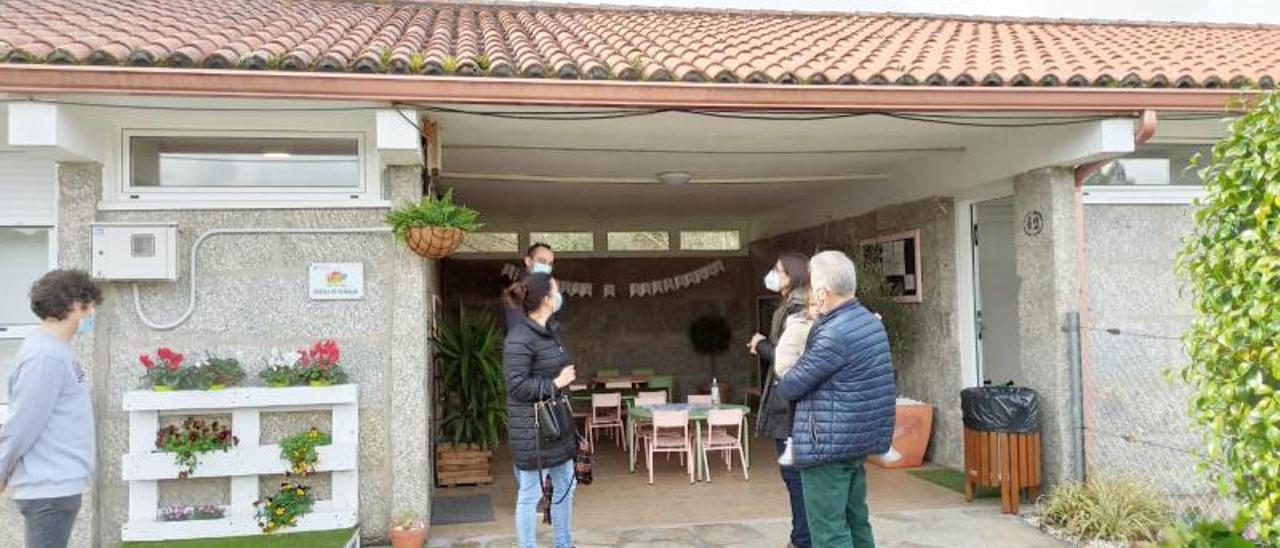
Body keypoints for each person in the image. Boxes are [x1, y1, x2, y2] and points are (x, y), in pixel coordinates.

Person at [776, 251, 895, 548]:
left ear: (822, 291)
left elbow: (790, 385)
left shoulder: (834, 334)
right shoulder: (870, 322)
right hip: (854, 442)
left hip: (826, 447)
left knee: (828, 532)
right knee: (856, 522)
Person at [0, 270, 102, 548]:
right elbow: (23, 423)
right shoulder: (45, 357)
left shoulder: (57, 350)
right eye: (89, 305)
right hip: (49, 487)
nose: (92, 312)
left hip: (59, 483)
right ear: (71, 305)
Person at [502, 272, 578, 548]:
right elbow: (517, 386)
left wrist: (558, 383)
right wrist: (556, 382)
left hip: (557, 426)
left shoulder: (549, 332)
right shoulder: (519, 338)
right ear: (546, 299)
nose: (559, 294)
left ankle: (564, 543)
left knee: (567, 487)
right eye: (556, 290)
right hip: (532, 431)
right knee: (530, 495)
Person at [746, 251, 812, 548]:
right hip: (788, 406)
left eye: (779, 271)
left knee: (795, 478)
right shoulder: (788, 306)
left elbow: (790, 360)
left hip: (791, 409)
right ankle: (802, 536)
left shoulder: (796, 310)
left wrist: (762, 346)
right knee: (794, 478)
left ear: (794, 276)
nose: (772, 275)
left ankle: (803, 539)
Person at [770, 291, 819, 467]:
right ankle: (791, 441)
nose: (817, 309)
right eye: (813, 305)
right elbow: (783, 362)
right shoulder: (799, 327)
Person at [504, 242, 556, 331]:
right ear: (528, 261)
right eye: (542, 261)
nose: (546, 267)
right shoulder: (518, 289)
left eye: (550, 264)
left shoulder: (544, 287)